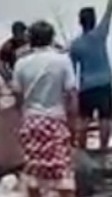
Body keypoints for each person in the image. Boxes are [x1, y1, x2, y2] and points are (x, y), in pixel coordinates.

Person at [12, 20, 78, 197]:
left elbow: (18, 98)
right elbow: (72, 95)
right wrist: (74, 126)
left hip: (31, 122)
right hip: (56, 121)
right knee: (63, 177)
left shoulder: (21, 63)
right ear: (52, 38)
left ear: (30, 39)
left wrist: (21, 122)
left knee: (33, 176)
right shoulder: (62, 60)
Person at [69, 0, 112, 152]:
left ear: (80, 22)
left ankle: (82, 149)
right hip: (104, 83)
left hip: (86, 86)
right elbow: (110, 9)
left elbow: (71, 70)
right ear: (94, 20)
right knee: (105, 118)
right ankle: (103, 148)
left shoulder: (75, 45)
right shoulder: (100, 33)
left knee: (84, 119)